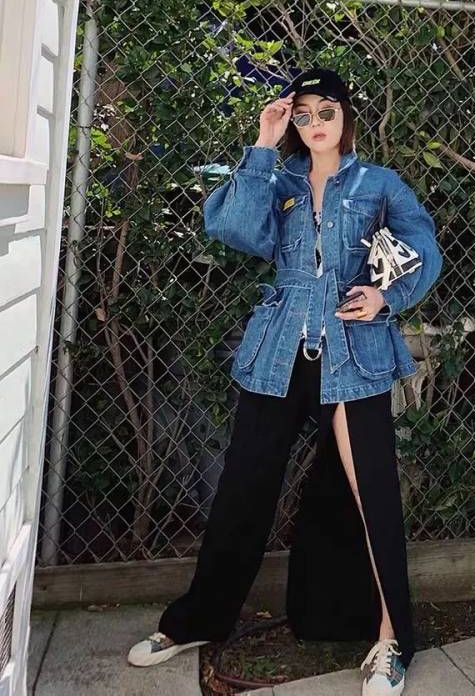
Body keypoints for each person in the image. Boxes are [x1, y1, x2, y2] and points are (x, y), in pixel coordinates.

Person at [128, 67, 443, 696]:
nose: (316, 123)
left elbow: (423, 245)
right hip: (277, 350)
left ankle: (391, 639)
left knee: (371, 494)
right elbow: (234, 229)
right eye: (304, 114)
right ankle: (197, 620)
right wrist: (263, 144)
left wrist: (386, 296)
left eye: (327, 111)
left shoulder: (379, 183)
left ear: (346, 116)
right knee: (242, 487)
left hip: (354, 352)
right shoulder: (279, 179)